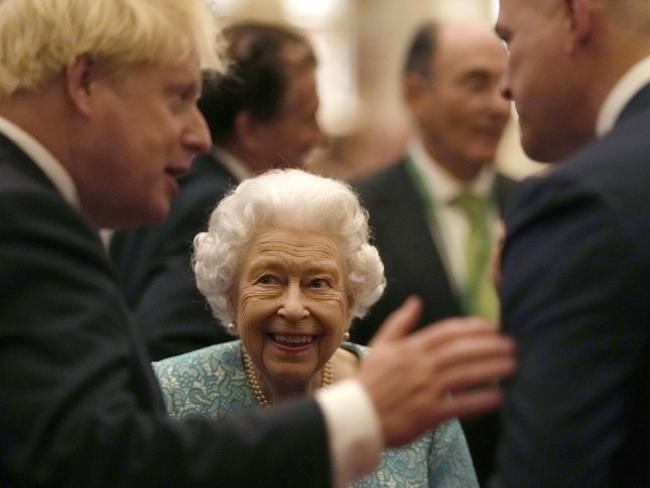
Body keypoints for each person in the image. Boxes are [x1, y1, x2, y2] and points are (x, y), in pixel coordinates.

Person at [0, 1, 517, 486]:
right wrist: (359, 414)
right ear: (84, 82)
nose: (202, 135)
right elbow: (99, 463)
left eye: (319, 283)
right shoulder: (21, 219)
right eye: (177, 97)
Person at [154, 168, 480, 487]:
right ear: (230, 294)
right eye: (268, 279)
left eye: (318, 283)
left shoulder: (413, 395)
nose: (294, 309)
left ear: (351, 301)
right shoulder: (164, 394)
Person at [351, 20, 516, 485]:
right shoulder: (354, 214)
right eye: (475, 83)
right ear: (415, 94)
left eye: (505, 88)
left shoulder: (539, 206)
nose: (496, 107)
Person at [494, 0, 650, 486]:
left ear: (575, 20)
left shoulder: (582, 202)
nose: (503, 85)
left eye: (510, 40)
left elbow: (548, 471)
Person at [110, 21, 327, 360]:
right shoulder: (218, 210)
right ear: (250, 128)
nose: (320, 137)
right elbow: (168, 344)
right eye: (307, 118)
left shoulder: (170, 187)